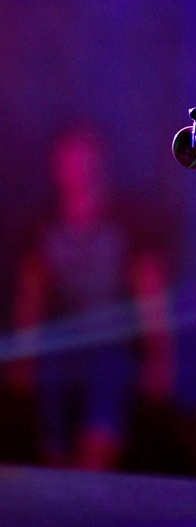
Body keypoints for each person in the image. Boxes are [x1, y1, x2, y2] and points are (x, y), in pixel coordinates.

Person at [10, 126, 176, 470]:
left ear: (101, 161)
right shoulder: (43, 224)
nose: (78, 169)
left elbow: (151, 291)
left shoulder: (129, 220)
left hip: (113, 346)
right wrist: (23, 356)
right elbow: (31, 296)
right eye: (69, 160)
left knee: (101, 429)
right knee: (53, 442)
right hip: (60, 348)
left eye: (85, 158)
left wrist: (159, 355)